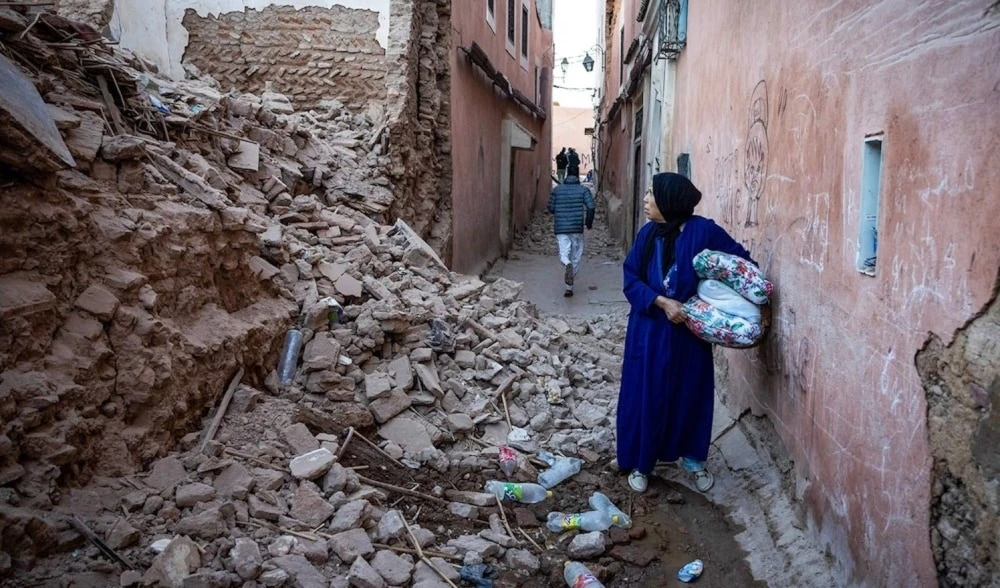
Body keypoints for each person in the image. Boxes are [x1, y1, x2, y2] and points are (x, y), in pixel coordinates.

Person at [616, 172, 762, 494]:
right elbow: (630, 278)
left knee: (689, 395)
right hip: (650, 332)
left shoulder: (704, 232)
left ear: (670, 201)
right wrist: (661, 301)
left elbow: (741, 266)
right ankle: (643, 462)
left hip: (689, 334)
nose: (646, 200)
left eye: (651, 194)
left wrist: (710, 300)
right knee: (648, 395)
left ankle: (694, 459)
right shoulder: (647, 236)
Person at [547, 166, 595, 297]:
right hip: (576, 228)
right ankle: (569, 285)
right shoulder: (583, 190)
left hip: (561, 228)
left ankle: (566, 264)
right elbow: (591, 207)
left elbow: (550, 207)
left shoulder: (557, 190)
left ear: (567, 175)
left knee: (564, 253)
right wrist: (588, 224)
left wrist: (560, 212)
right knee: (576, 255)